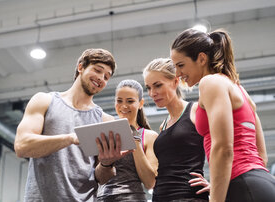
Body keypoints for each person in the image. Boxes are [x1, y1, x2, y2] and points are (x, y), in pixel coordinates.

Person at [170, 28, 275, 202]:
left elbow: (223, 148)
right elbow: (261, 156)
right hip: (260, 182)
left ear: (202, 58)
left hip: (243, 184)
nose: (177, 74)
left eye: (181, 65)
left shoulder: (211, 82)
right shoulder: (239, 89)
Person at [14, 48, 131, 202]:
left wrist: (107, 163)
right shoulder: (44, 101)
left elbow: (101, 178)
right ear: (81, 67)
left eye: (106, 76)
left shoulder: (105, 120)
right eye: (98, 70)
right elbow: (22, 146)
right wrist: (70, 138)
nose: (101, 78)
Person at [143, 58, 210, 202]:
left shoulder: (196, 110)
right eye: (148, 88)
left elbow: (225, 144)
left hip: (189, 196)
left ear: (175, 81)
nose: (152, 93)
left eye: (158, 85)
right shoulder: (163, 125)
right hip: (160, 196)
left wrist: (216, 185)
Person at [97, 79, 159, 202]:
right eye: (119, 101)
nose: (124, 106)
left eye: (130, 101)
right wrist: (105, 163)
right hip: (101, 198)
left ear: (141, 103)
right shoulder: (105, 132)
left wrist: (134, 139)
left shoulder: (149, 136)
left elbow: (150, 182)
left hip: (133, 198)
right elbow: (98, 178)